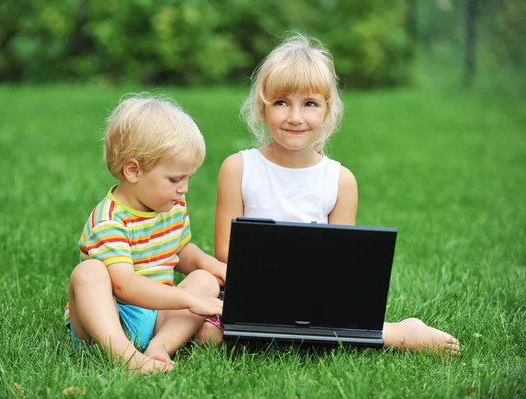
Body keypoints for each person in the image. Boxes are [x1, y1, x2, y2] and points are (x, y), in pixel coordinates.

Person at [197, 32, 461, 356]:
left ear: (328, 112)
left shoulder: (340, 180)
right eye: (281, 102)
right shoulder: (238, 168)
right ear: (262, 109)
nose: (295, 117)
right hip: (254, 289)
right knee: (209, 337)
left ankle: (401, 331)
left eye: (309, 104)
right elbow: (225, 250)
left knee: (326, 328)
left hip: (311, 295)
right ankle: (361, 332)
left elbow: (341, 261)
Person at [64, 93, 227, 374]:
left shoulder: (171, 204)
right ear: (133, 171)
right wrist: (189, 301)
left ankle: (159, 346)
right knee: (88, 272)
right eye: (175, 179)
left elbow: (180, 251)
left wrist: (213, 267)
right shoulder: (109, 221)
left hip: (157, 312)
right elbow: (125, 286)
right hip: (110, 319)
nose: (184, 189)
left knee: (205, 280)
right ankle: (125, 355)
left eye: (188, 178)